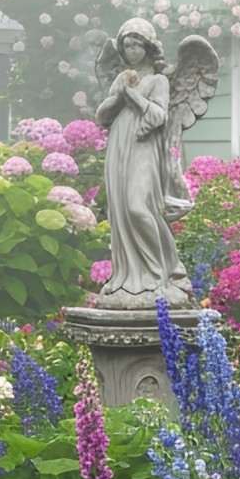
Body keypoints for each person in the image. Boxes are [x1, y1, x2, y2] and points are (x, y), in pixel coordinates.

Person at [94, 16, 193, 310]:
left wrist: (131, 94)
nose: (132, 50)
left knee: (138, 207)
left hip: (144, 147)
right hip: (119, 146)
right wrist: (119, 93)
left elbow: (158, 116)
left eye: (137, 44)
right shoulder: (122, 79)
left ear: (149, 48)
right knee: (122, 211)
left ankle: (161, 272)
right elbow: (102, 116)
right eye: (127, 45)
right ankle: (128, 276)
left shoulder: (158, 81)